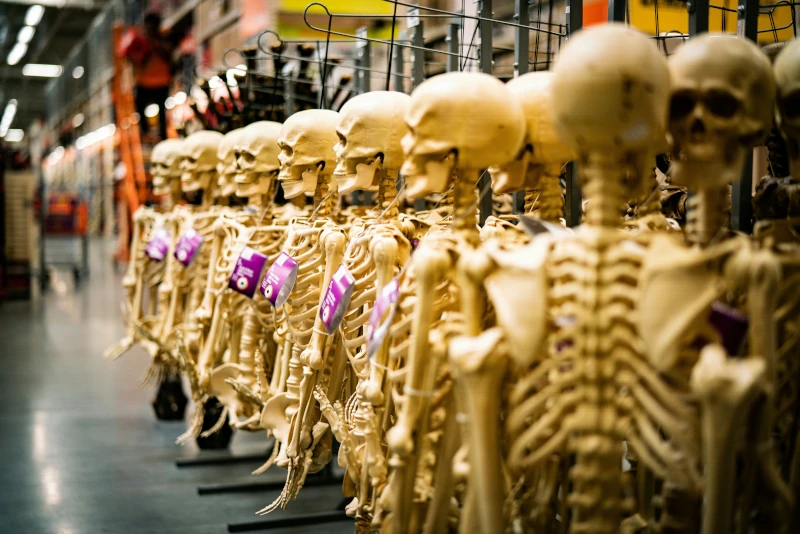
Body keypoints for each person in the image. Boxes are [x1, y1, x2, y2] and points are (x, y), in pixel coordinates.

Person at [132, 12, 173, 141]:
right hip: (145, 82)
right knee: (139, 106)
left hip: (161, 81)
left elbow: (170, 55)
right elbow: (137, 60)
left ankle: (162, 135)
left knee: (162, 111)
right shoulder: (141, 41)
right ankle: (145, 132)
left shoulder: (163, 39)